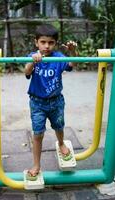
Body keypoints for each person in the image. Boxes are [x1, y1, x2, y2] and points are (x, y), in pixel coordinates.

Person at [25, 24, 77, 180]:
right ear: (36, 42)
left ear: (55, 43)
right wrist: (33, 62)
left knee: (59, 126)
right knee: (38, 133)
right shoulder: (33, 56)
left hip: (56, 102)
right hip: (37, 103)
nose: (46, 46)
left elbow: (71, 65)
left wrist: (72, 51)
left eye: (50, 43)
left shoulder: (58, 57)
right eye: (43, 42)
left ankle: (61, 143)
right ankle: (36, 164)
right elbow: (27, 71)